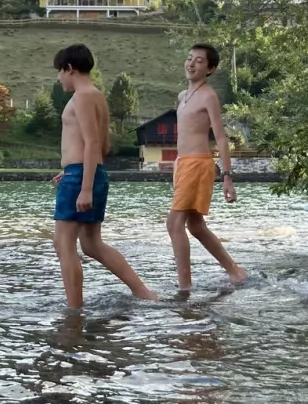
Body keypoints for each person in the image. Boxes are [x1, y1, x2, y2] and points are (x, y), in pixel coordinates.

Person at [51, 44, 158, 310]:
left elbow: (91, 142)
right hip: (88, 173)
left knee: (63, 243)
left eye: (59, 72)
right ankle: (144, 293)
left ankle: (74, 310)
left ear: (70, 68)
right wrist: (76, 171)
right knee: (91, 244)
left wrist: (83, 185)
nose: (58, 78)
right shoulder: (97, 95)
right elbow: (103, 146)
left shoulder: (82, 96)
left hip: (82, 177)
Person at [168, 43, 249, 295]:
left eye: (199, 61)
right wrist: (177, 164)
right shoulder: (183, 96)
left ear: (210, 68)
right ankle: (235, 271)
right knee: (195, 225)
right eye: (190, 58)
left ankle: (184, 287)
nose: (191, 64)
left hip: (199, 163)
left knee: (173, 224)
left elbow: (221, 138)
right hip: (182, 164)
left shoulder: (208, 96)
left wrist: (227, 176)